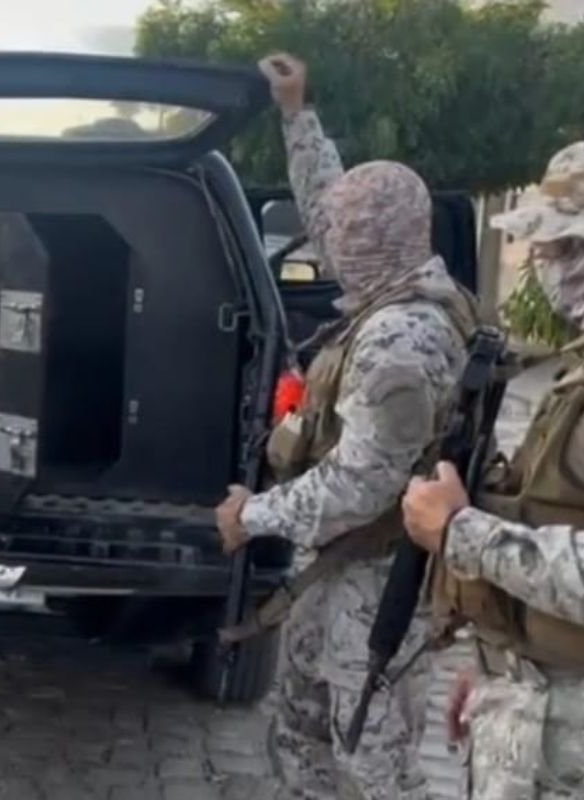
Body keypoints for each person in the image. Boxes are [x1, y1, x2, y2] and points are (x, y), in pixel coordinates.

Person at [215, 54, 478, 799]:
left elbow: (360, 484)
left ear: (375, 241)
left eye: (347, 233)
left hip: (380, 576)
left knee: (372, 758)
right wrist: (295, 113)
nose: (329, 241)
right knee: (298, 729)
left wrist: (251, 516)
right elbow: (330, 203)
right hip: (339, 564)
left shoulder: (402, 340)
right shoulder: (397, 283)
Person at [403, 141, 584, 800]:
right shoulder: (573, 372)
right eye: (548, 249)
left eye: (570, 248)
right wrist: (495, 668)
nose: (553, 269)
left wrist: (460, 531)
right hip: (534, 699)